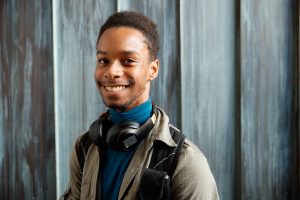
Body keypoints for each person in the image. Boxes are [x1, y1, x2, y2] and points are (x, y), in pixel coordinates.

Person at [61, 11, 219, 200]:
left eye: (128, 61)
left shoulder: (185, 162)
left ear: (152, 69)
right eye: (103, 60)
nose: (112, 72)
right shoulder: (85, 147)